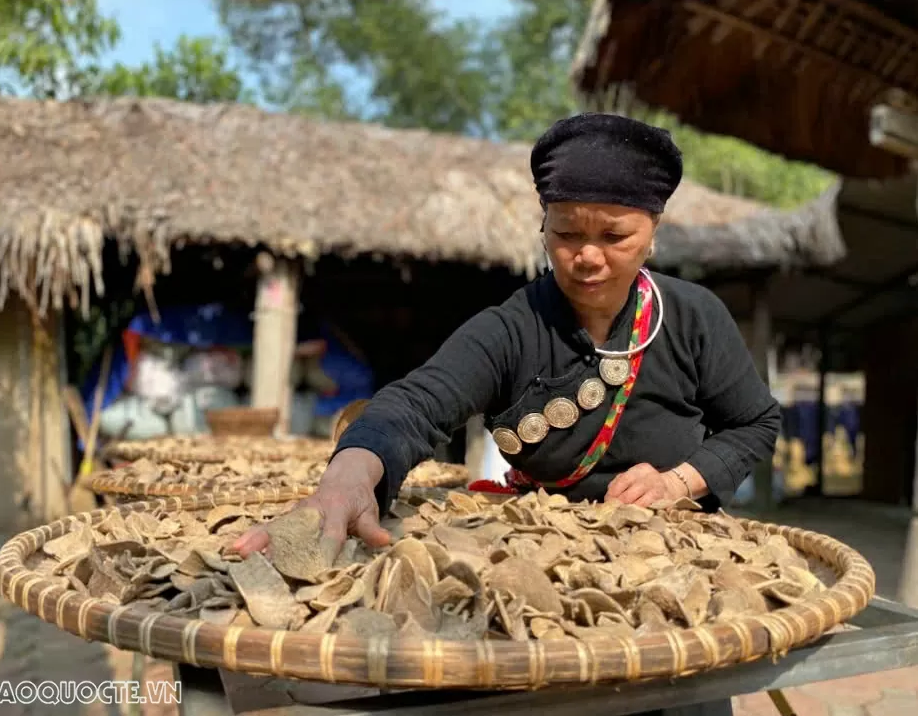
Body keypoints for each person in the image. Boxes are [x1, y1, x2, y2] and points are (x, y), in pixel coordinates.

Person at [233, 115, 780, 711]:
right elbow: (415, 404)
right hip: (543, 583)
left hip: (673, 583)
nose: (588, 257)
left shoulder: (695, 317)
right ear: (543, 227)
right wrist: (344, 482)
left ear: (653, 232)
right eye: (567, 233)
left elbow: (754, 423)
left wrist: (680, 481)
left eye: (615, 236)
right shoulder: (512, 328)